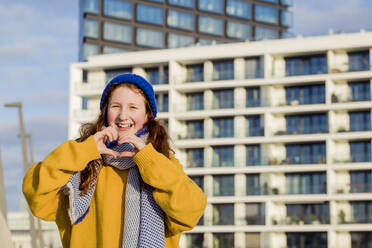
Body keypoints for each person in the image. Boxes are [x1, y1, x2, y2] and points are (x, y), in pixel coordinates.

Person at [23, 73, 207, 248]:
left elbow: (190, 212)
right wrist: (85, 150)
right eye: (115, 106)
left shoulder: (162, 163)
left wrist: (148, 161)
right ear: (105, 112)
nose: (123, 116)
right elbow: (36, 194)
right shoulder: (82, 164)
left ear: (147, 116)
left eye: (133, 107)